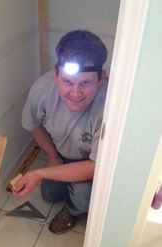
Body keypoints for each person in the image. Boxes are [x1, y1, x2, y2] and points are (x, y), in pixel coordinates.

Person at [12, 30, 108, 234]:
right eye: (67, 82)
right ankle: (68, 184)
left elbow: (95, 166)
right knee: (49, 193)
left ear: (101, 79)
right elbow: (33, 125)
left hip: (92, 162)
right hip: (62, 153)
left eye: (85, 83)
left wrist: (39, 172)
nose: (75, 93)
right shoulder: (42, 90)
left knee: (83, 195)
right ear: (56, 75)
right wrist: (52, 157)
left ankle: (73, 210)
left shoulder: (110, 106)